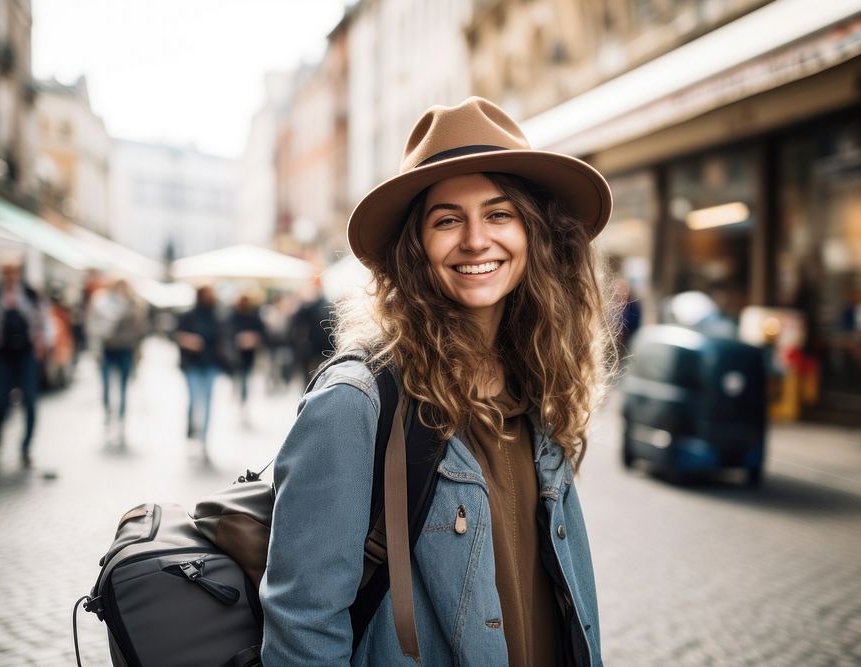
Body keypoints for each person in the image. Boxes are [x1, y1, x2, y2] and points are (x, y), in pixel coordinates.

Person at [261, 97, 613, 665]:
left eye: (500, 214)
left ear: (536, 235)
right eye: (448, 219)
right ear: (415, 247)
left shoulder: (540, 379)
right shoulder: (357, 403)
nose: (476, 240)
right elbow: (302, 622)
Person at [0, 259, 50, 467]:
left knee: (30, 401)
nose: (10, 276)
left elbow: (43, 320)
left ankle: (26, 447)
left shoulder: (30, 295)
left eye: (13, 272)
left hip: (26, 354)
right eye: (6, 272)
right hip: (2, 354)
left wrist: (42, 343)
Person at [88, 279, 147, 444]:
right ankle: (108, 414)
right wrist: (96, 350)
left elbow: (139, 330)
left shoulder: (134, 305)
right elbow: (94, 327)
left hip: (126, 350)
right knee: (106, 385)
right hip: (108, 349)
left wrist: (139, 351)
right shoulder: (102, 303)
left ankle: (121, 419)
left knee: (123, 387)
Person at [175, 285, 223, 457]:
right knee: (195, 401)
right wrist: (190, 341)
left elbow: (222, 338)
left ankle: (203, 437)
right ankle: (193, 433)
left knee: (207, 402)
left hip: (210, 365)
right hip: (193, 364)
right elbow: (177, 335)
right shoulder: (189, 316)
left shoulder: (216, 315)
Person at [289, 279, 334, 387]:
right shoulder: (321, 304)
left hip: (315, 346)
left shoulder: (313, 305)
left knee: (312, 376)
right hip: (319, 346)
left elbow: (296, 321)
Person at [228, 292, 266, 420]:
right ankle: (239, 397)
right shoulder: (234, 316)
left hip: (248, 356)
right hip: (236, 355)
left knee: (244, 379)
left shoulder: (253, 316)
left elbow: (261, 332)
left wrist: (253, 339)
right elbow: (228, 333)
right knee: (240, 377)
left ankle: (242, 400)